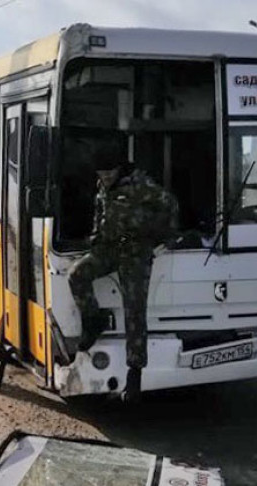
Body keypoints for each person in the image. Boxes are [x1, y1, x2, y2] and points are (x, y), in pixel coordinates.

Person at [68, 160, 178, 401]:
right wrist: (96, 236)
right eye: (101, 171)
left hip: (136, 253)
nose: (105, 176)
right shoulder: (103, 185)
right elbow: (100, 211)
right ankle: (93, 321)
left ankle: (135, 372)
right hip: (109, 249)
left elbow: (168, 203)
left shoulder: (140, 184)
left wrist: (167, 237)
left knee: (135, 309)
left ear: (118, 169)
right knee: (77, 274)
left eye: (109, 172)